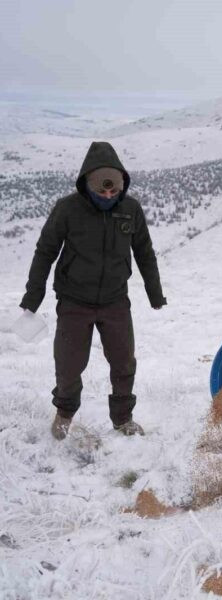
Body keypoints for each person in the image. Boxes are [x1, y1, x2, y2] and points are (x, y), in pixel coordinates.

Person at [20, 141, 167, 440]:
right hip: (74, 301)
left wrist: (155, 293)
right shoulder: (67, 209)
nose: (108, 197)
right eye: (102, 192)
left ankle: (123, 418)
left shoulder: (130, 209)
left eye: (114, 192)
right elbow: (45, 252)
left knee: (124, 361)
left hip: (115, 300)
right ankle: (64, 414)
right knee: (69, 364)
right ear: (88, 184)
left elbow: (145, 252)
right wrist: (32, 298)